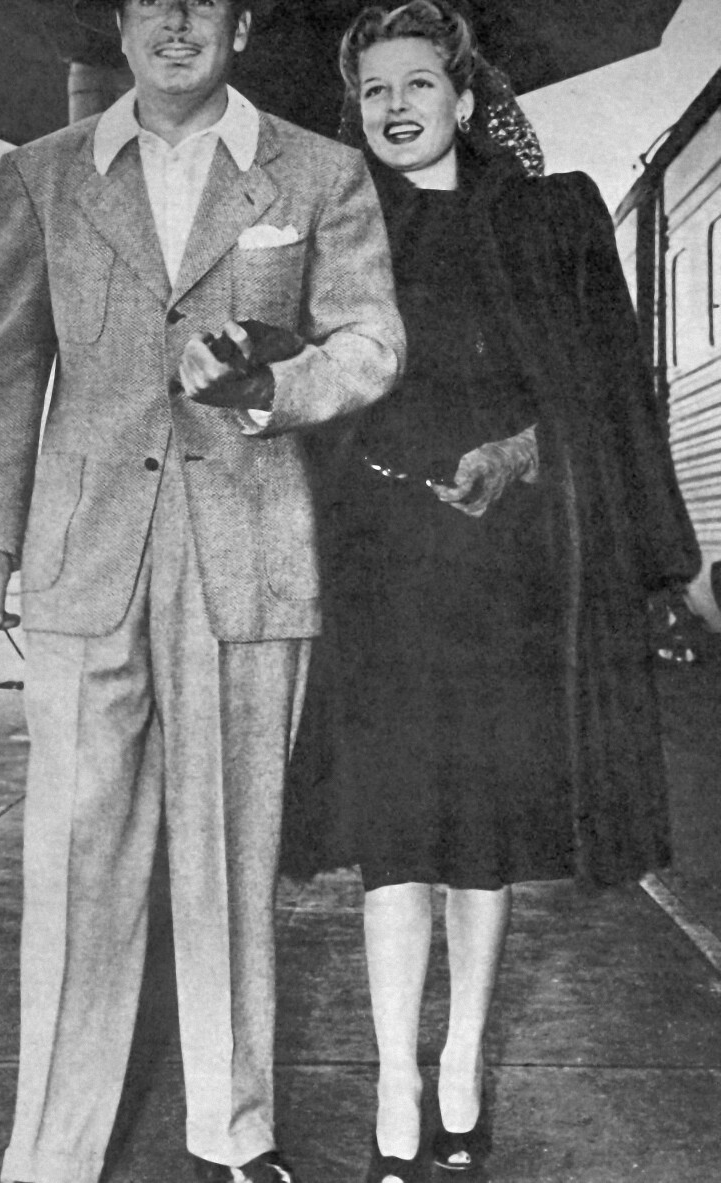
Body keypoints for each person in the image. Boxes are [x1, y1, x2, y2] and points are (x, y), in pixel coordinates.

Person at [0, 2, 405, 1181]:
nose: (174, 21)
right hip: (83, 558)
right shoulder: (42, 174)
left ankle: (234, 1128)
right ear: (119, 24)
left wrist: (272, 386)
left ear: (240, 27)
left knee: (230, 858)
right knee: (74, 857)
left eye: (201, 0)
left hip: (244, 552)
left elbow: (368, 342)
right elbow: (11, 367)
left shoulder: (319, 171)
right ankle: (51, 1150)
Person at [284, 2, 700, 1180]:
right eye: (373, 90)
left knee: (480, 840)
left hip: (505, 577)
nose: (395, 107)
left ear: (464, 100)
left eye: (417, 83)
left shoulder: (547, 216)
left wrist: (520, 454)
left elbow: (609, 393)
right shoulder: (337, 231)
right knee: (393, 840)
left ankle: (460, 1059)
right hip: (378, 571)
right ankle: (394, 1078)